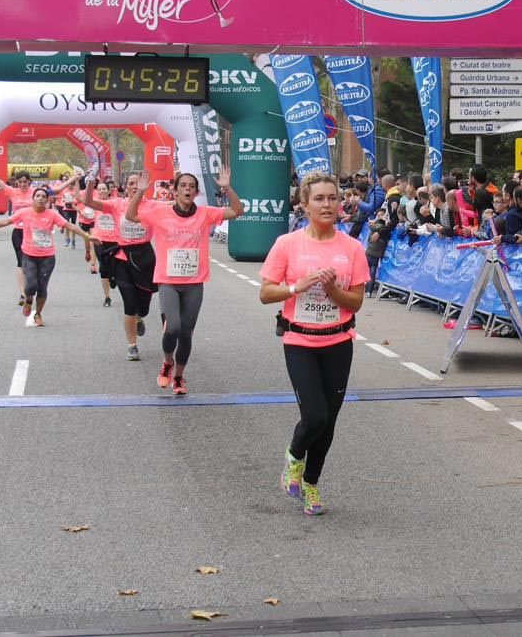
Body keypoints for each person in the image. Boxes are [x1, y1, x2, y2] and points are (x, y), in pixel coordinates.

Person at [259, 173, 370, 516]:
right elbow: (265, 293)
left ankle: (311, 483)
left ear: (340, 204)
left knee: (329, 421)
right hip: (300, 340)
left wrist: (333, 289)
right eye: (319, 199)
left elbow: (356, 303)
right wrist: (297, 287)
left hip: (338, 340)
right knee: (315, 415)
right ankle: (293, 457)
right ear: (304, 204)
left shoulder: (351, 248)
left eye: (333, 198)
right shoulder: (287, 244)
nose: (327, 205)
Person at [126, 169, 244, 395]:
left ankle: (179, 377)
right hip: (168, 281)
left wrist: (227, 188)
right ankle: (167, 362)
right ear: (175, 190)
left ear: (196, 191)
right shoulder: (160, 213)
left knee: (186, 333)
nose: (187, 189)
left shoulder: (205, 213)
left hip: (194, 283)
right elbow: (131, 216)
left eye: (191, 186)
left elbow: (238, 211)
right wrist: (140, 193)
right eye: (183, 186)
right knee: (174, 328)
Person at [0, 187, 95, 326]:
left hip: (47, 257)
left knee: (42, 288)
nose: (41, 198)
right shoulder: (24, 213)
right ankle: (28, 300)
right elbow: (5, 222)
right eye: (38, 196)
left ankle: (38, 314)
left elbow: (69, 226)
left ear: (48, 200)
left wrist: (87, 236)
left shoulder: (52, 215)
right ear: (33, 198)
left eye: (43, 196)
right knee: (31, 285)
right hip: (29, 255)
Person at [0, 158, 78, 306]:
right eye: (20, 182)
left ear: (30, 182)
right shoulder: (11, 191)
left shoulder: (37, 193)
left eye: (25, 181)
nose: (23, 184)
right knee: (21, 263)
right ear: (16, 182)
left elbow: (56, 190)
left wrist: (74, 178)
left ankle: (31, 287)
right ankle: (23, 293)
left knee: (34, 264)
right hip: (19, 232)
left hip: (36, 234)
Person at [84, 172, 159, 361]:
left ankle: (140, 317)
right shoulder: (118, 204)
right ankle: (132, 345)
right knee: (129, 302)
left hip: (144, 257)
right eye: (131, 183)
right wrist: (91, 183)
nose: (135, 186)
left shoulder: (153, 206)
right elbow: (90, 203)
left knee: (143, 306)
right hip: (122, 256)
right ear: (125, 187)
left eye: (138, 183)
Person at [84, 179, 117, 307]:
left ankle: (113, 276)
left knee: (113, 267)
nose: (102, 191)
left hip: (114, 239)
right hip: (99, 240)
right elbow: (83, 202)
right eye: (100, 189)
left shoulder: (115, 204)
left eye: (104, 189)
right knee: (103, 267)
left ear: (109, 191)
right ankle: (107, 297)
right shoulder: (94, 205)